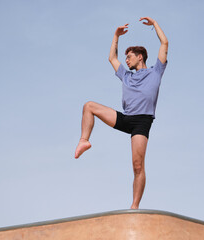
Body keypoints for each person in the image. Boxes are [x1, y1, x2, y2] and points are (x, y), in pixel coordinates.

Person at [74, 17, 168, 209]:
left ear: (140, 57)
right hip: (125, 118)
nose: (126, 60)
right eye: (126, 57)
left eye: (130, 56)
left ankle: (134, 206)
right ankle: (84, 140)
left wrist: (155, 24)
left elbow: (164, 43)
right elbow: (112, 58)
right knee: (89, 106)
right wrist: (116, 36)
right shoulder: (126, 75)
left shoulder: (156, 71)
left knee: (137, 165)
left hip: (142, 122)